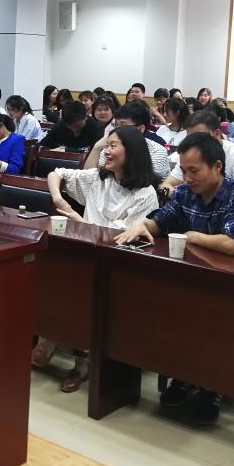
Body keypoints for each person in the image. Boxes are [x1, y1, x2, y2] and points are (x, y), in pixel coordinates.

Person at [115, 133, 234, 426]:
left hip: (232, 287)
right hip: (191, 280)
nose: (187, 178)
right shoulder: (184, 193)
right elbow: (160, 222)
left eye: (194, 171)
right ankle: (184, 374)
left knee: (210, 317)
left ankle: (211, 386)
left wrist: (191, 236)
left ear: (217, 167)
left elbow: (232, 243)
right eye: (183, 170)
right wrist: (142, 224)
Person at [35, 126, 160, 392]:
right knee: (51, 273)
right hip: (84, 255)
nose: (106, 151)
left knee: (82, 286)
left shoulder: (145, 193)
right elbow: (56, 174)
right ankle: (49, 337)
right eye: (106, 146)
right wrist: (60, 200)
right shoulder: (99, 178)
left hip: (117, 264)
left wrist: (78, 220)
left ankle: (79, 360)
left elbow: (119, 236)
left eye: (113, 146)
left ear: (131, 152)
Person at [162, 109, 234, 194]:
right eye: (190, 138)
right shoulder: (190, 155)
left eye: (200, 138)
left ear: (217, 134)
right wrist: (179, 195)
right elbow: (166, 185)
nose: (193, 143)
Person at [84, 101, 171, 180]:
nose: (117, 131)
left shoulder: (157, 151)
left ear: (140, 129)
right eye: (115, 125)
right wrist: (97, 147)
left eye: (123, 126)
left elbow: (145, 182)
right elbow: (89, 178)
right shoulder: (110, 149)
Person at [39, 101, 104, 151]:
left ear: (86, 117)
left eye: (77, 126)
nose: (74, 129)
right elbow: (42, 145)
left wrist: (66, 150)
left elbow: (96, 153)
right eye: (70, 126)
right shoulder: (61, 125)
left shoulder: (96, 129)